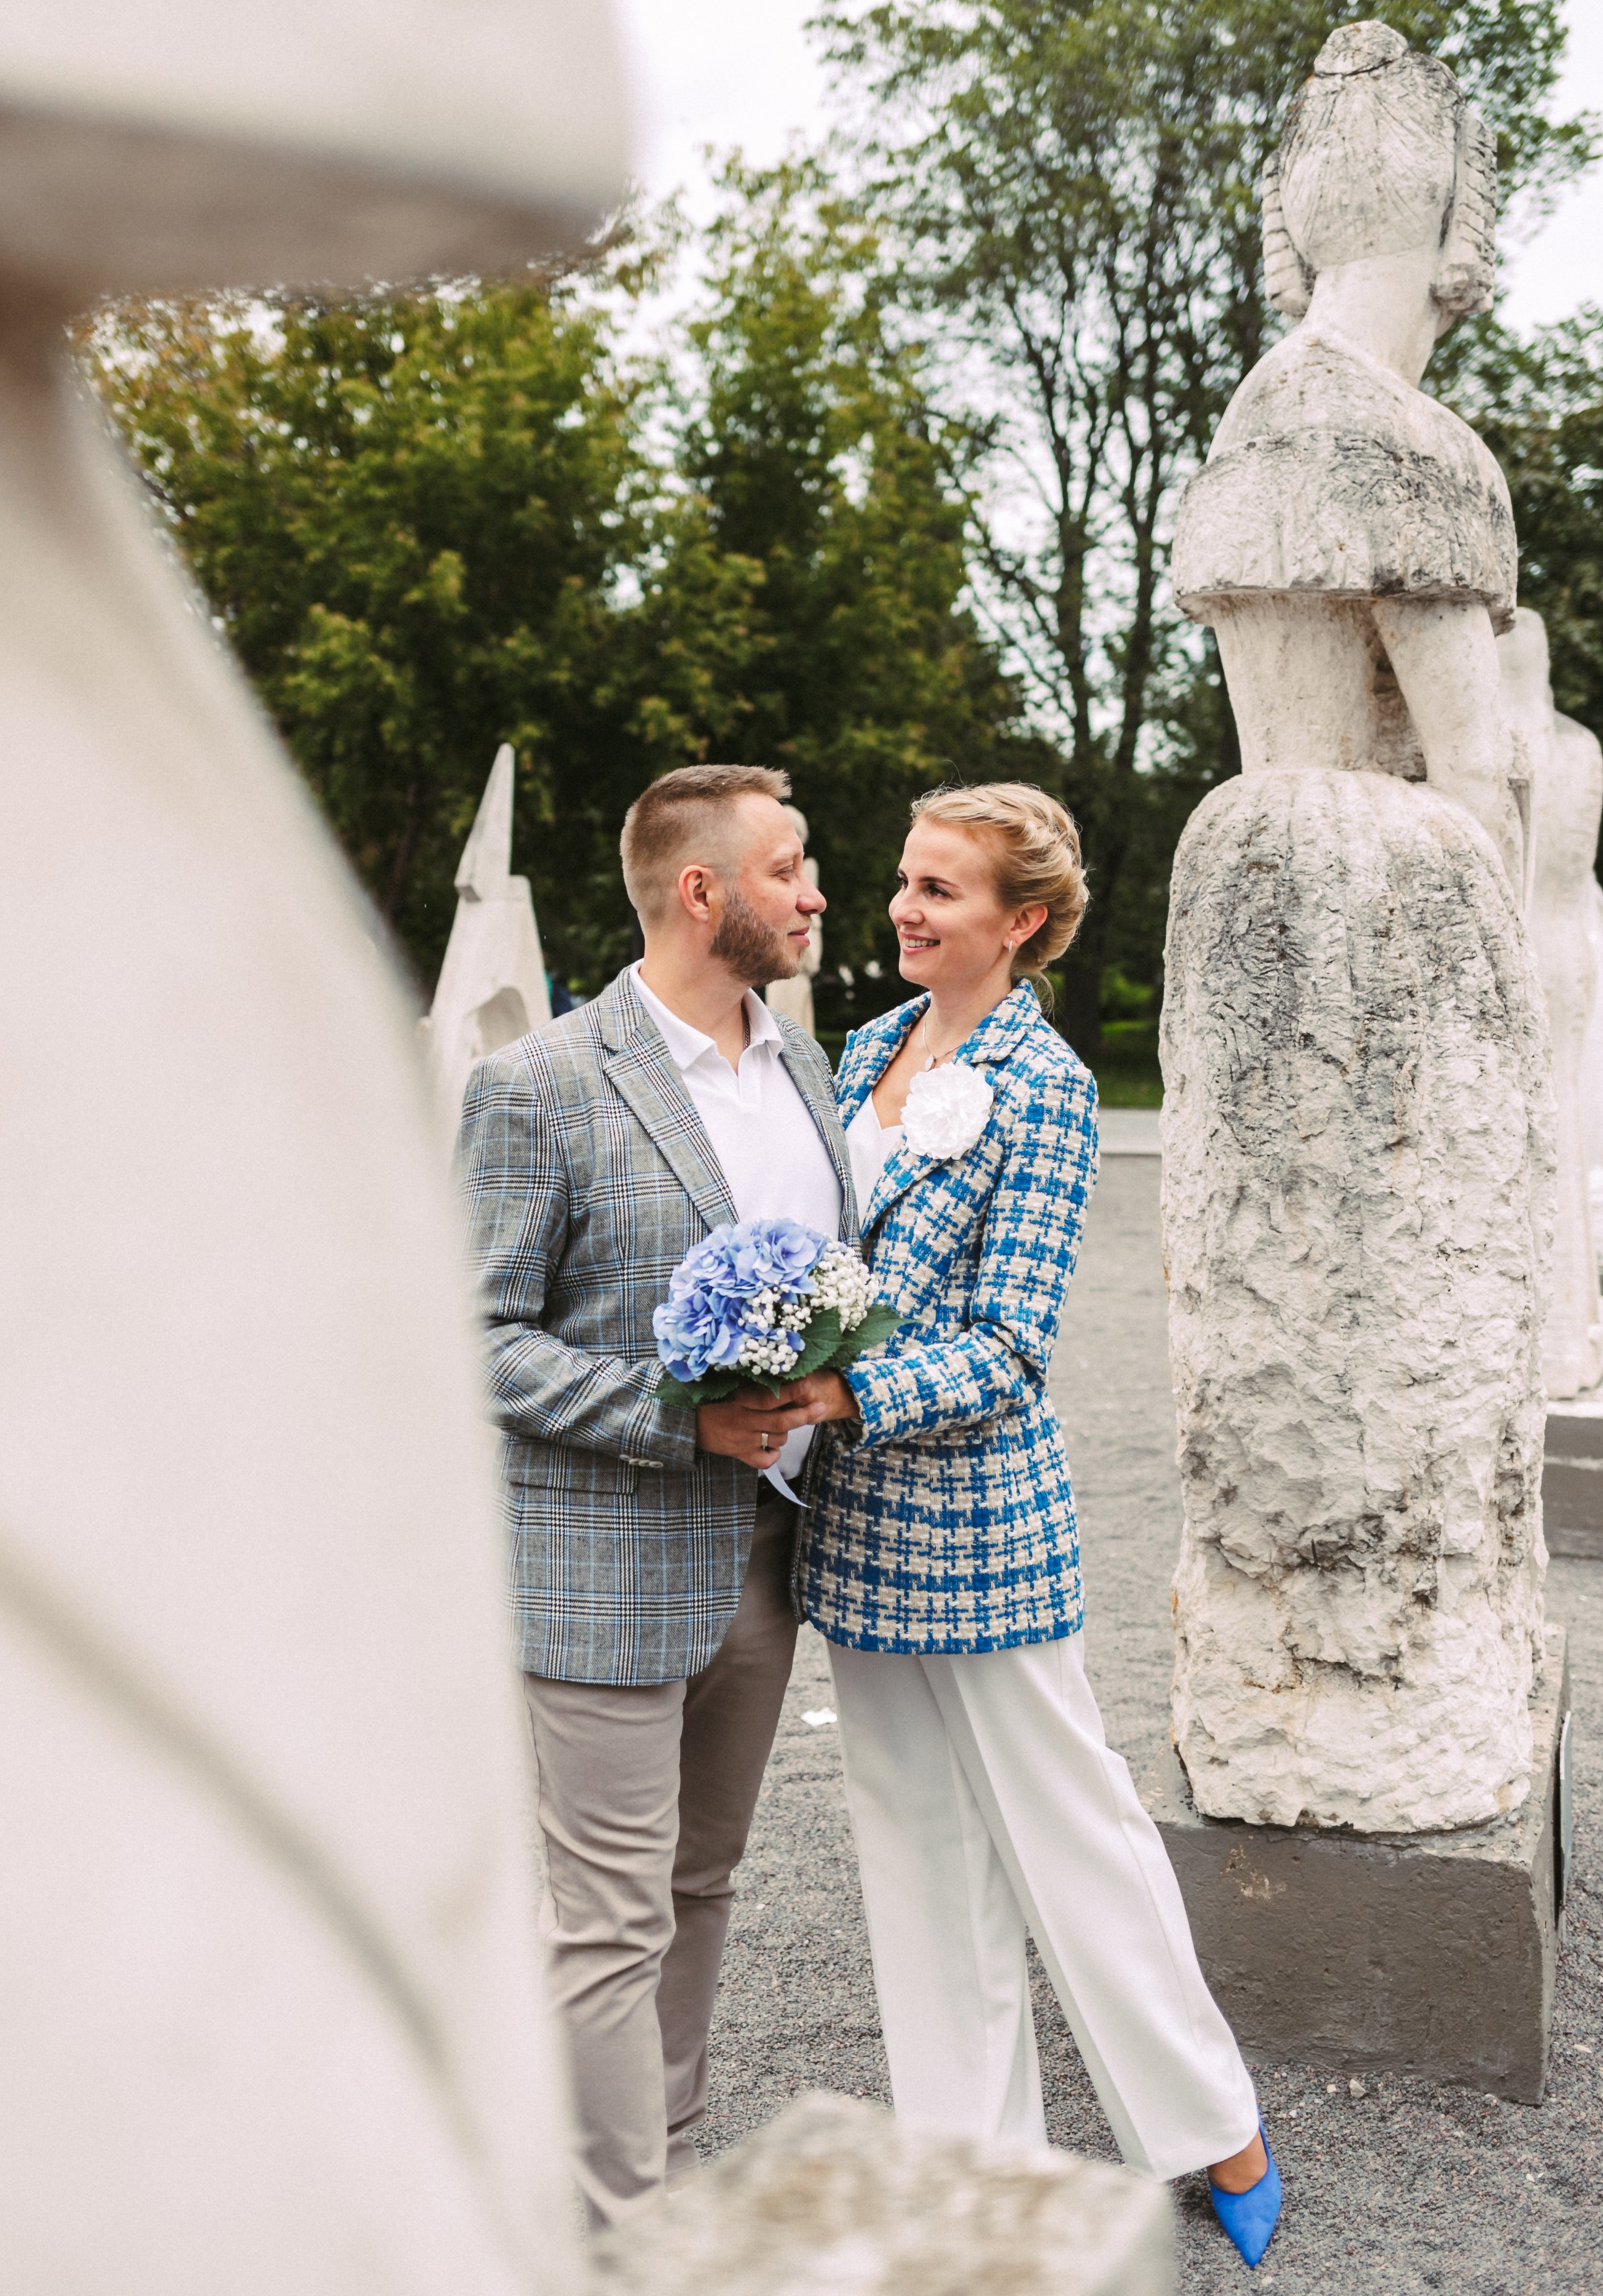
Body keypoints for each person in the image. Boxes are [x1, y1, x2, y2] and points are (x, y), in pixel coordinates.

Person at [747, 782, 1283, 2270]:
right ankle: (971, 2170)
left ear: (1023, 921)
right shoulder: (858, 1050)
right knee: (912, 1850)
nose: (904, 909)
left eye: (941, 891)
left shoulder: (1045, 1089)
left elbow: (1007, 1347)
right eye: (904, 881)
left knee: (1075, 1836)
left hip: (982, 1530)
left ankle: (1206, 2121)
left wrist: (836, 1394)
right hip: (849, 1524)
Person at [455, 763, 856, 2231]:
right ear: (705, 893)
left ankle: (661, 2169)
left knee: (703, 1883)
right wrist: (668, 1422)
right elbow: (472, 1332)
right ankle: (608, 2235)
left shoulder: (806, 1071)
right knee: (606, 1923)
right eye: (792, 865)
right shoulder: (540, 1083)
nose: (818, 891)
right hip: (602, 1560)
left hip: (767, 1557)